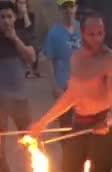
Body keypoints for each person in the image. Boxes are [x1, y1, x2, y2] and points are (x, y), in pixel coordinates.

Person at [29, 12, 112, 172]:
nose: (96, 38)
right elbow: (71, 97)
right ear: (82, 34)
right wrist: (41, 123)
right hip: (80, 124)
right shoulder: (77, 59)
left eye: (100, 33)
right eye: (91, 34)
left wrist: (108, 119)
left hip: (103, 129)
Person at [0, 1, 36, 172]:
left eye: (9, 16)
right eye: (2, 17)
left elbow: (31, 58)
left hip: (20, 97)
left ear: (15, 18)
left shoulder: (22, 36)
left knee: (29, 134)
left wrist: (15, 39)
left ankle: (37, 167)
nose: (6, 20)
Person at [44, 0, 81, 128]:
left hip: (83, 87)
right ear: (60, 10)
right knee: (66, 126)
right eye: (65, 7)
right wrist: (55, 87)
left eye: (71, 6)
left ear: (76, 8)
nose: (68, 10)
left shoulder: (83, 29)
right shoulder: (54, 33)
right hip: (64, 88)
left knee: (84, 125)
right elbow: (48, 61)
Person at [15, 0, 40, 78]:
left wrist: (25, 13)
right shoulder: (13, 15)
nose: (22, 5)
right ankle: (27, 69)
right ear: (16, 4)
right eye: (20, 3)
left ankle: (32, 69)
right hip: (17, 38)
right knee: (25, 42)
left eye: (23, 3)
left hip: (28, 37)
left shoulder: (31, 15)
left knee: (32, 43)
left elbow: (29, 27)